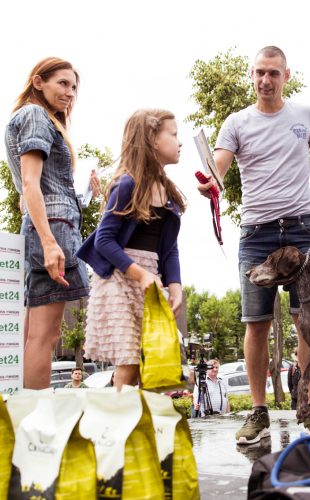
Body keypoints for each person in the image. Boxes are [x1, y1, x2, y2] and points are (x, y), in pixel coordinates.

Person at [198, 46, 310, 444]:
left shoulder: (304, 115)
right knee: (256, 324)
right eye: (260, 72)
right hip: (256, 235)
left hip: (301, 231)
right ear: (252, 74)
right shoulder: (236, 122)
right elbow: (220, 167)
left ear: (286, 76)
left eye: (273, 73)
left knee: (309, 325)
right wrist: (210, 183)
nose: (266, 80)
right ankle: (259, 412)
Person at [4, 57, 98, 389]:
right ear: (38, 81)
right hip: (53, 229)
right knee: (45, 335)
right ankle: (35, 423)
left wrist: (82, 193)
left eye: (74, 86)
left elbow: (27, 192)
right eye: (63, 83)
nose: (70, 92)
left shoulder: (29, 118)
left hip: (49, 224)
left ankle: (26, 419)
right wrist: (48, 241)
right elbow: (30, 185)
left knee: (35, 333)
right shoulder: (34, 116)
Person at [77, 109, 185, 390]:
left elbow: (169, 248)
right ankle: (119, 430)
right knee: (128, 360)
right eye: (173, 135)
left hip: (149, 278)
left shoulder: (168, 192)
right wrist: (140, 274)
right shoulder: (127, 184)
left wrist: (175, 284)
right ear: (152, 139)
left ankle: (145, 428)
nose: (179, 142)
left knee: (151, 359)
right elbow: (104, 241)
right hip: (119, 277)